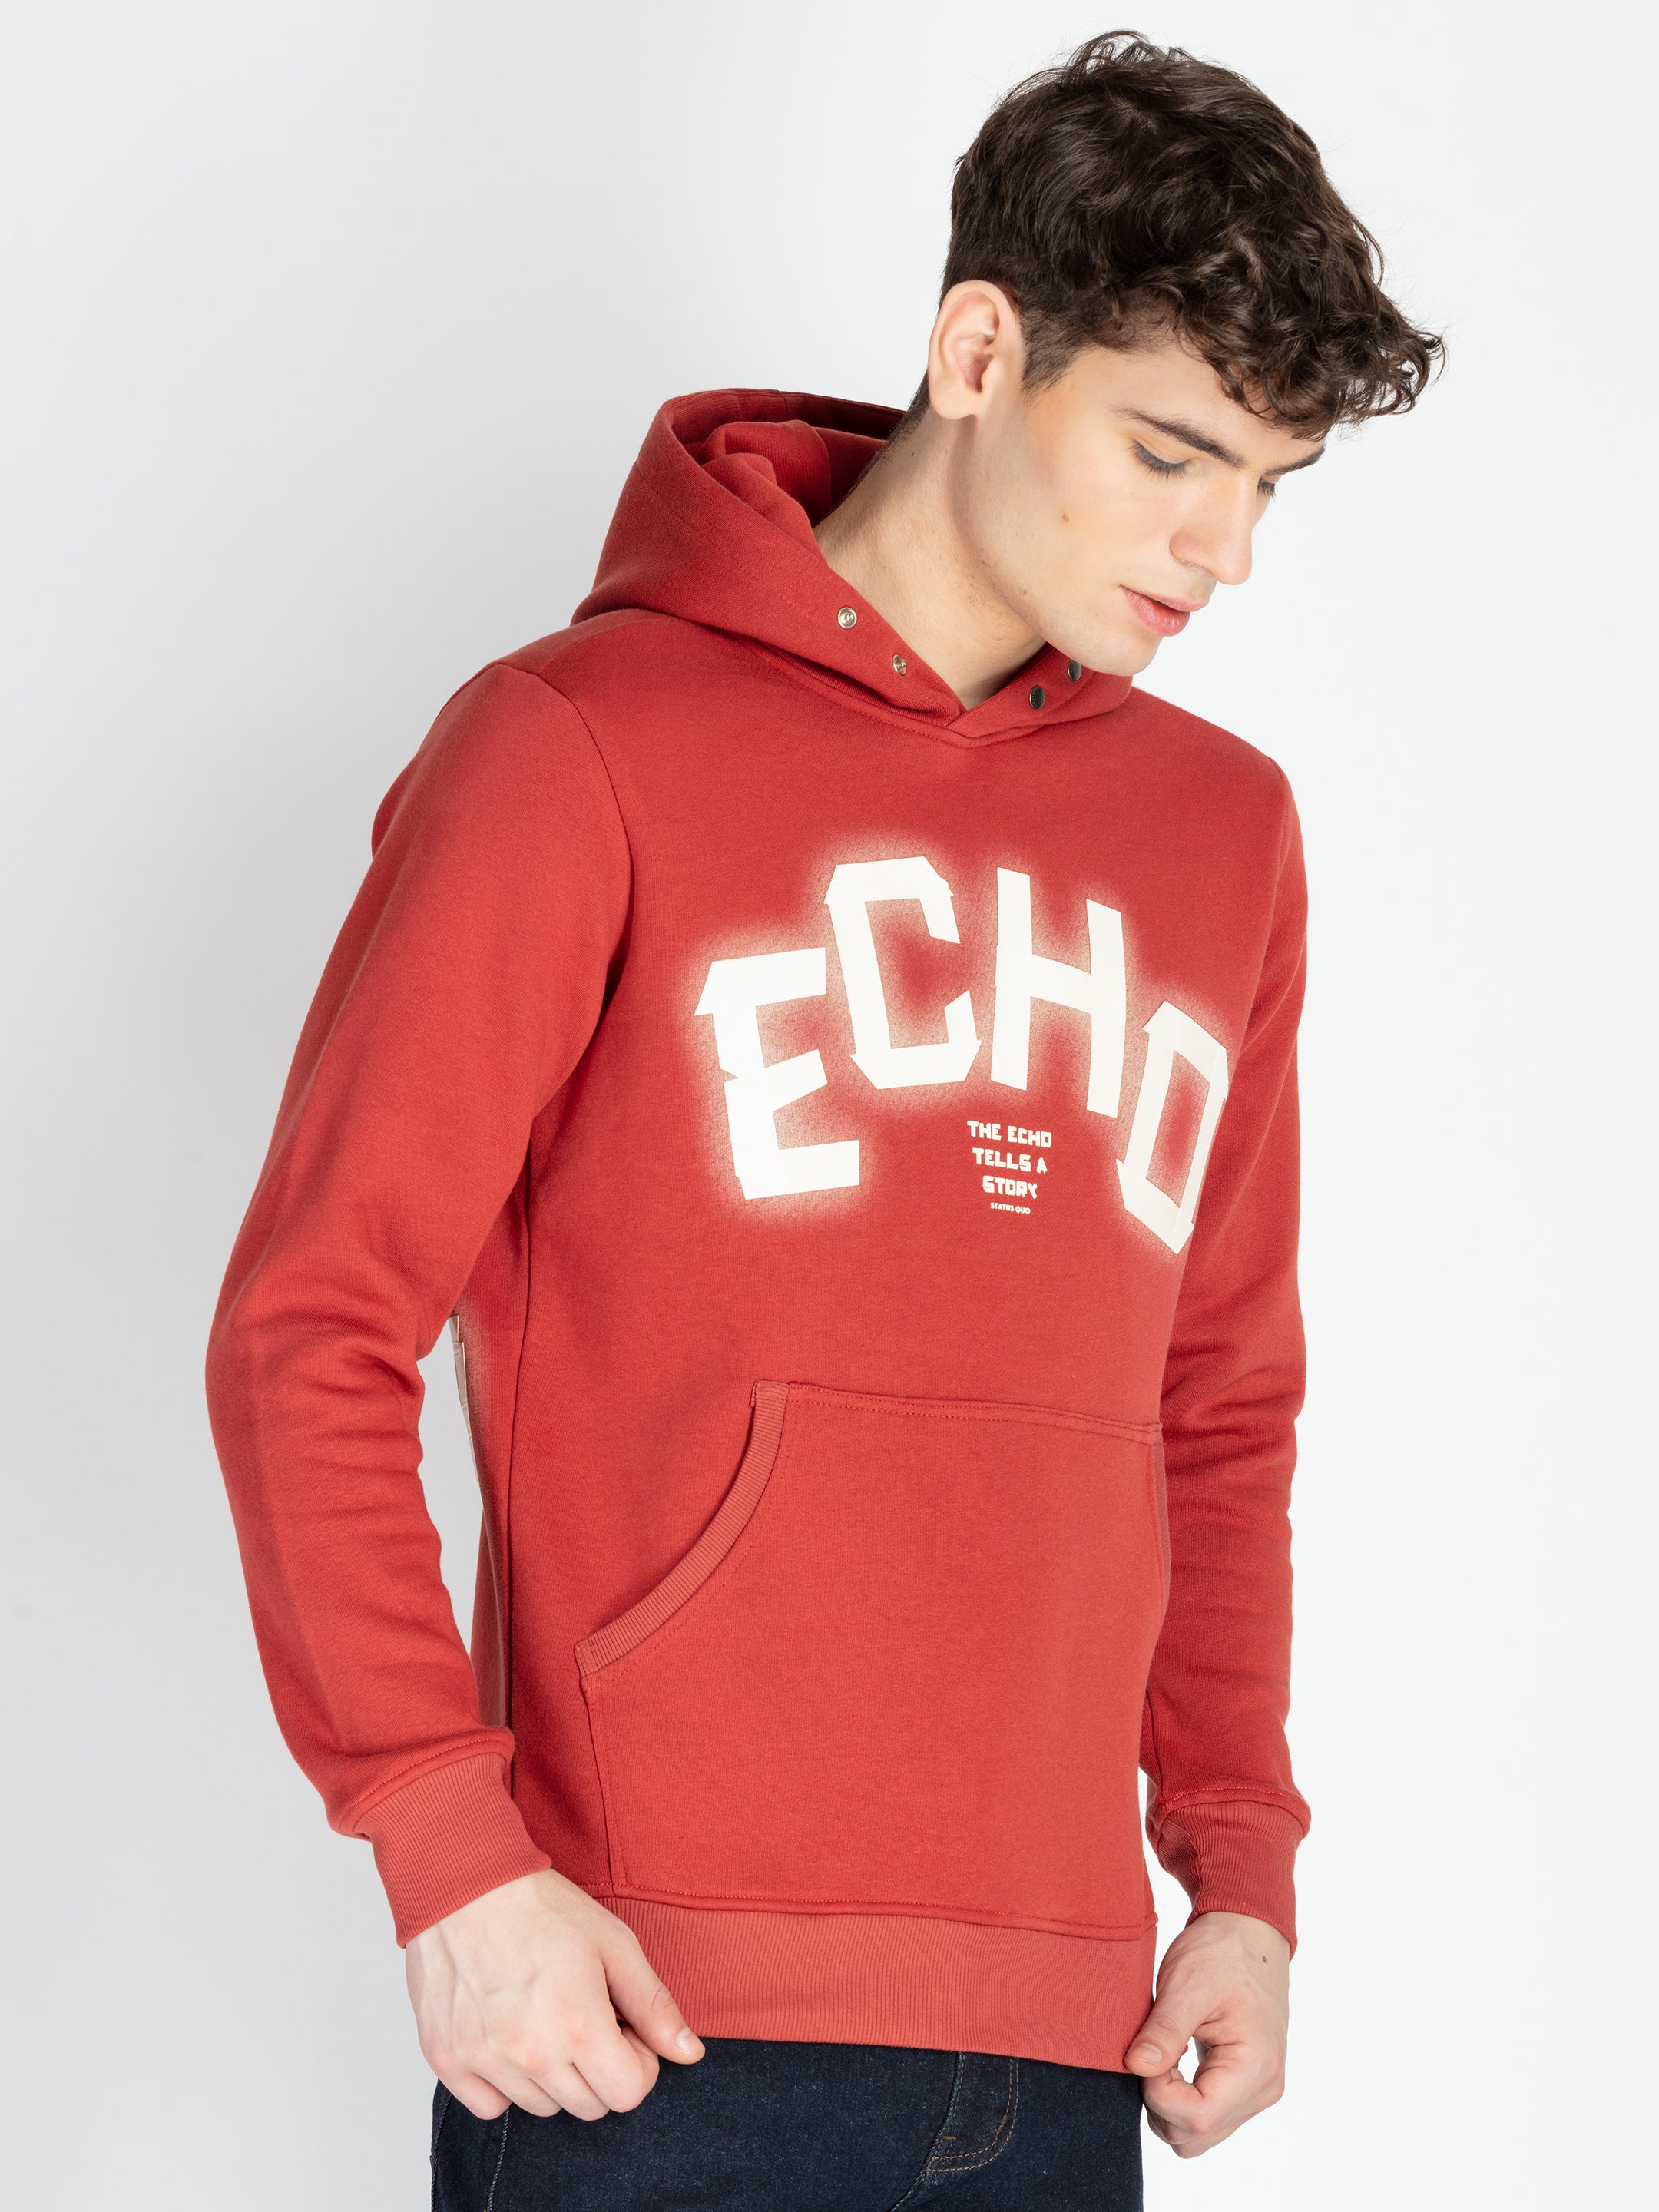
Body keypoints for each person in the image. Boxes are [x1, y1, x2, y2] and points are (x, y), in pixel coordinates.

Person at [206, 28, 1439, 2210]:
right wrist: (444, 1851)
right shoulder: (575, 747)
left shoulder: (1224, 833)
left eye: (1270, 482)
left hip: (1071, 2038)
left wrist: (1238, 1864)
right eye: (1172, 452)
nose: (1224, 550)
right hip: (647, 2026)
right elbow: (312, 1325)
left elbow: (1220, 1399)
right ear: (981, 350)